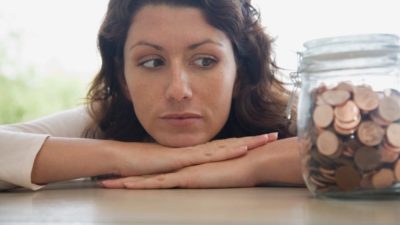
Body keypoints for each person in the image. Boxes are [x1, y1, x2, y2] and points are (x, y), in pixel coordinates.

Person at [0, 0, 303, 191]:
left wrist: (252, 164)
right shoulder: (106, 118)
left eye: (205, 61)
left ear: (241, 73)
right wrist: (127, 156)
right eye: (152, 62)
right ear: (124, 79)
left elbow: (351, 139)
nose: (178, 91)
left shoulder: (290, 110)